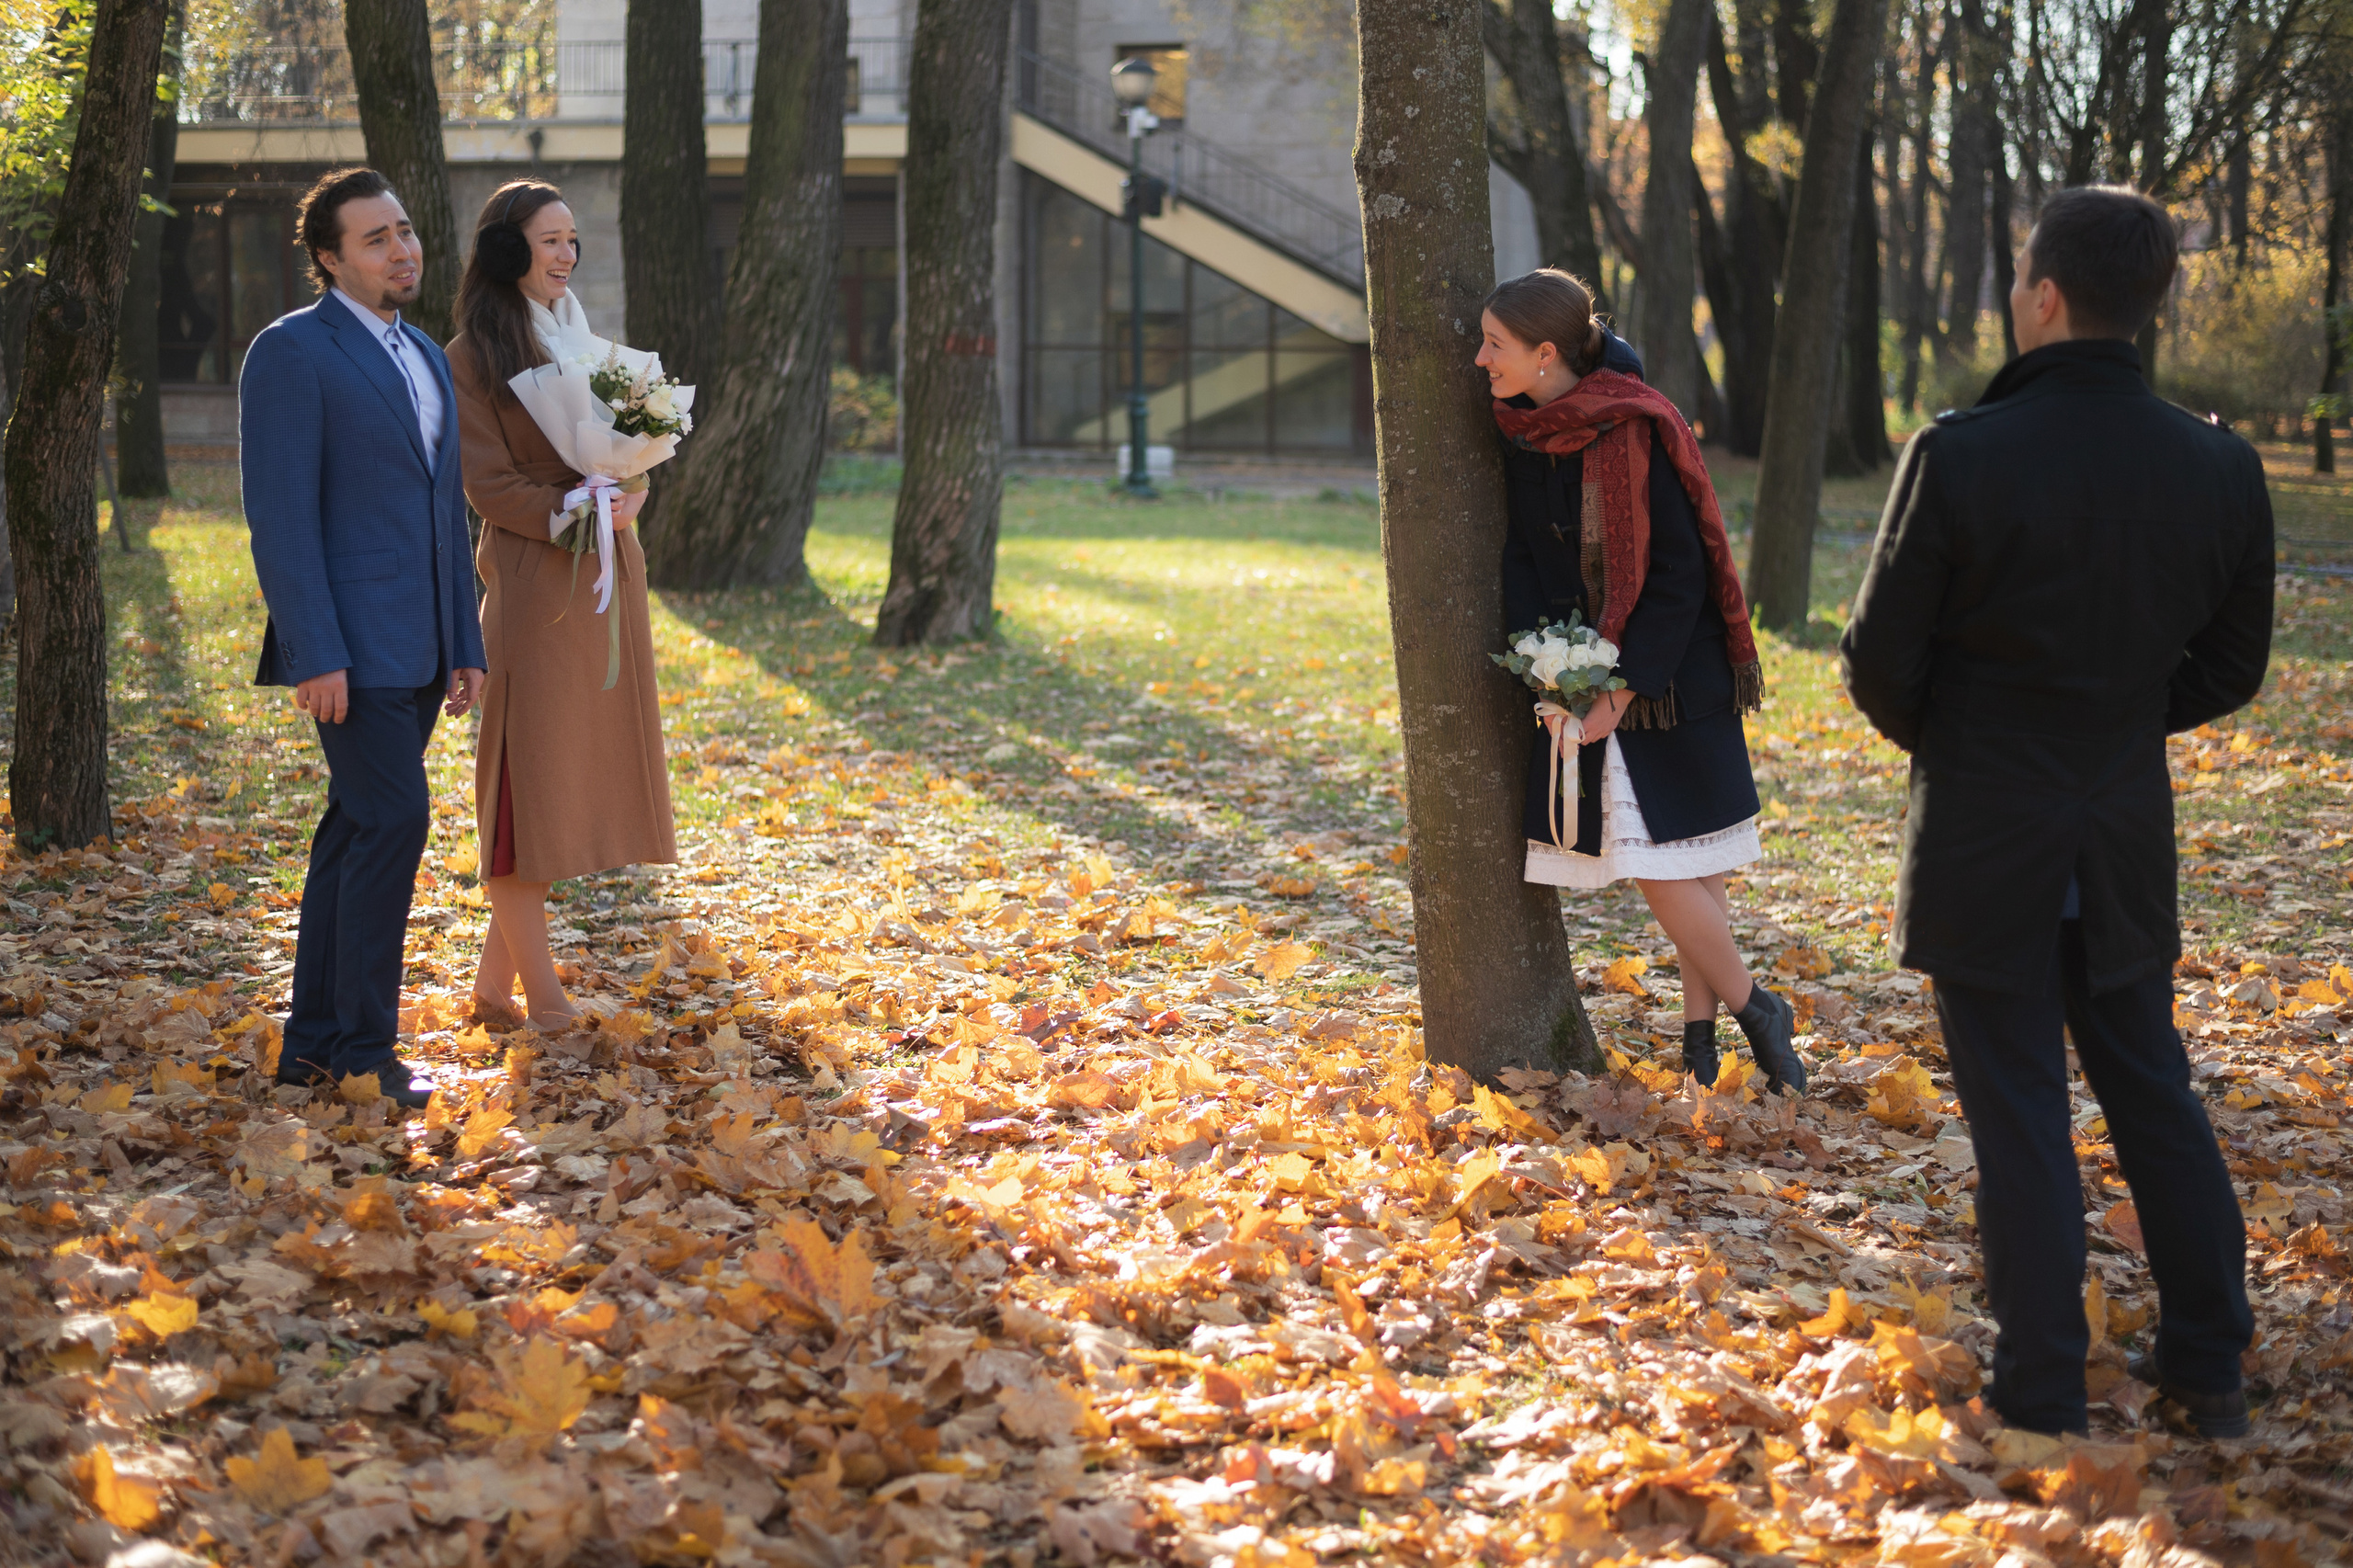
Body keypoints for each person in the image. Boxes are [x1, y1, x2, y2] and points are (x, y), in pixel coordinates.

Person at [1841, 186, 2272, 1438]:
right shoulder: (2221, 463)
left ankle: (2040, 1384)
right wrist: (2116, 728)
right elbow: (2232, 666)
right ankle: (2208, 1365)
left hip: (1988, 819)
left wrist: (1973, 742)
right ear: (2151, 304)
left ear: (2041, 297)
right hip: (2122, 817)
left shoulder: (1960, 450)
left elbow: (1880, 657)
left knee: (2021, 1102)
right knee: (2153, 1087)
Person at [1480, 269, 1803, 1094]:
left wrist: (1619, 689)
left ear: (1546, 354)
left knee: (1670, 855)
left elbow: (1677, 573)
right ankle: (1702, 1044)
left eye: (1495, 346)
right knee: (1682, 858)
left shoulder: (1634, 421)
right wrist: (1542, 661)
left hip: (1671, 667)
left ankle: (1754, 1008)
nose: (1479, 360)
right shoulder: (1522, 428)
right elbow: (1523, 554)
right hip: (1584, 662)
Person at [242, 166, 486, 1111]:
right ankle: (362, 1051)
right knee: (393, 819)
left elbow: (442, 513)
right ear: (330, 257)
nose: (403, 248)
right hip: (347, 643)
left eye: (407, 230)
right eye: (377, 237)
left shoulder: (423, 351)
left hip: (423, 640)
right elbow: (281, 517)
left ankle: (311, 1048)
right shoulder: (291, 352)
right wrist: (315, 651)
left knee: (353, 830)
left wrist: (464, 637)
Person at [448, 179, 676, 1030]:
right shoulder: (469, 357)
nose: (566, 256)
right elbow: (485, 482)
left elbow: (630, 459)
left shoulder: (584, 338)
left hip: (606, 581)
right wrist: (568, 510)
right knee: (524, 786)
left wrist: (631, 494)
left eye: (573, 240)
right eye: (549, 240)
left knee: (561, 782)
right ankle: (545, 1005)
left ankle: (490, 992)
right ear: (508, 250)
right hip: (535, 583)